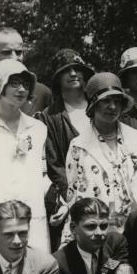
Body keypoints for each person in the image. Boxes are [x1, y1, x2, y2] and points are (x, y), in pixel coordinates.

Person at [0, 58, 53, 253]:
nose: (21, 89)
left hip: (33, 221)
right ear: (0, 85)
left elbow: (41, 174)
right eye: (14, 83)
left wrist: (59, 200)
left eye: (25, 84)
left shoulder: (38, 128)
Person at [62, 72, 137, 244]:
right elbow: (73, 195)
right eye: (106, 101)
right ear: (93, 105)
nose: (112, 107)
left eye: (117, 101)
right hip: (97, 229)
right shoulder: (78, 145)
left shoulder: (136, 137)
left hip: (135, 225)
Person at [39, 49, 95, 247]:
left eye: (77, 69)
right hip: (70, 201)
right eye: (66, 70)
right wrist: (72, 200)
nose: (72, 74)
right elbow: (54, 164)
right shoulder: (48, 117)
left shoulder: (99, 107)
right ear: (57, 78)